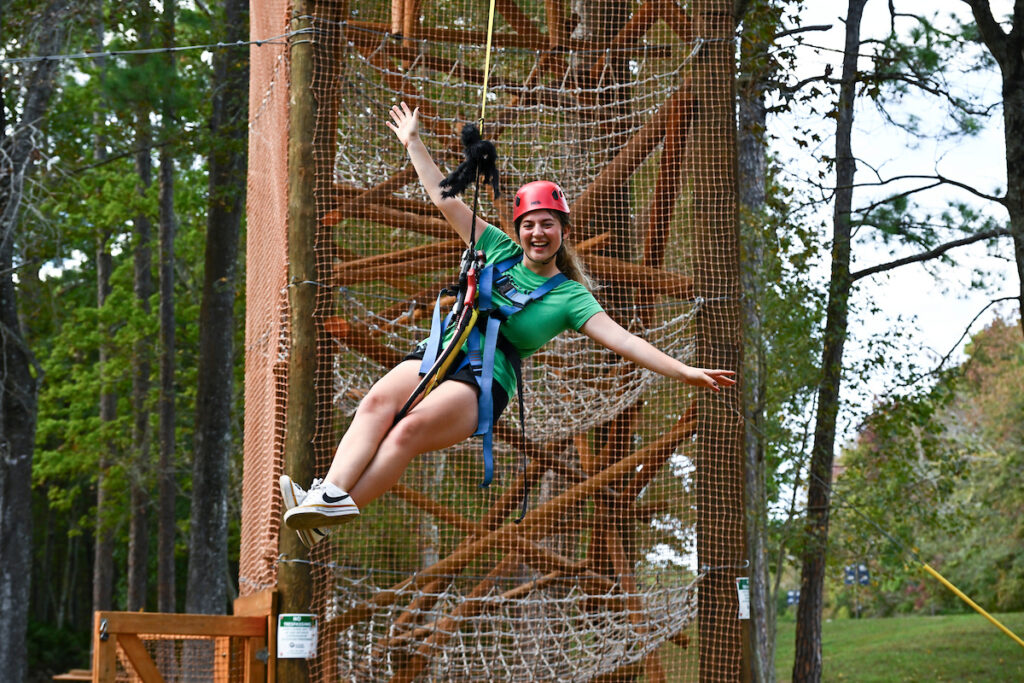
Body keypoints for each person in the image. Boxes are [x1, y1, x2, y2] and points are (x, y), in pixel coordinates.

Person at [280, 102, 736, 546]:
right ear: (518, 230)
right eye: (529, 225)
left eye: (548, 225)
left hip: (485, 379)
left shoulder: (570, 297)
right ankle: (326, 499)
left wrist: (684, 371)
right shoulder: (497, 248)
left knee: (407, 431)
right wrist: (413, 142)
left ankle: (334, 510)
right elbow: (444, 198)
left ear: (563, 231)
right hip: (444, 349)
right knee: (377, 402)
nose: (538, 233)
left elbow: (626, 341)